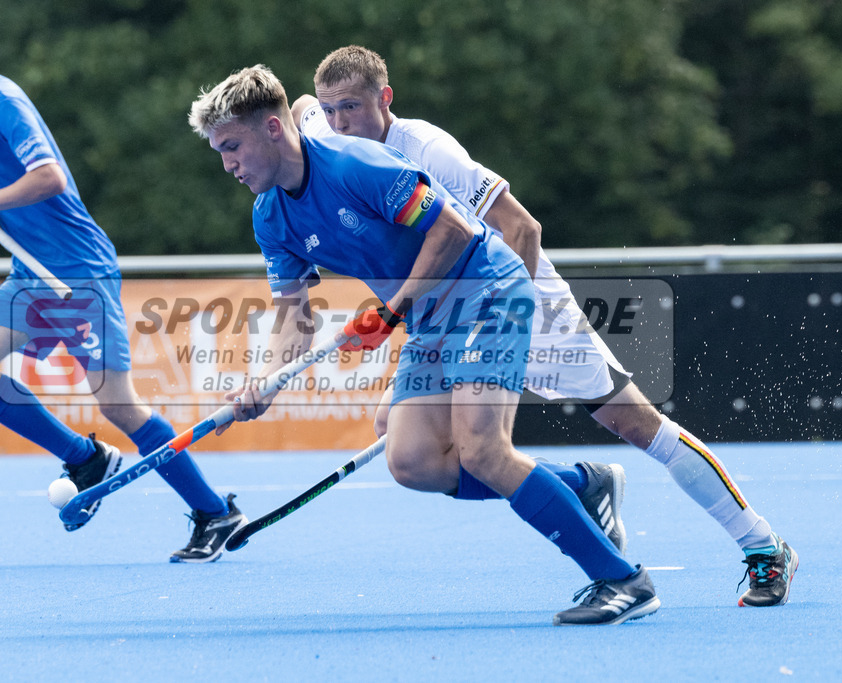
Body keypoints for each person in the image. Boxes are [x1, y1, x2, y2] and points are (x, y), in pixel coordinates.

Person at [293, 45, 796, 607]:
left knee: (637, 425)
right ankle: (585, 483)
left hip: (522, 303)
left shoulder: (428, 149)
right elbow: (300, 106)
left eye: (352, 108)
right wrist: (313, 114)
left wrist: (506, 322)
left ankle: (763, 545)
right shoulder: (326, 136)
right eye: (332, 111)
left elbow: (523, 229)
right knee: (405, 440)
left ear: (385, 99)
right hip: (452, 318)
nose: (340, 122)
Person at [189, 64, 661, 625]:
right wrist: (263, 384)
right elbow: (294, 315)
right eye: (220, 152)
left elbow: (453, 230)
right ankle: (582, 485)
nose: (228, 164)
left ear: (272, 129)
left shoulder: (356, 164)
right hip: (430, 318)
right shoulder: (270, 217)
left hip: (486, 290)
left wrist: (392, 309)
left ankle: (622, 580)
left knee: (482, 451)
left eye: (232, 147)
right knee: (412, 461)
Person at [0, 0, 245, 563]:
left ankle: (215, 512)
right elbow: (10, 191)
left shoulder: (3, 103)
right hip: (30, 272)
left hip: (77, 273)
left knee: (120, 407)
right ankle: (85, 458)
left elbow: (49, 178)